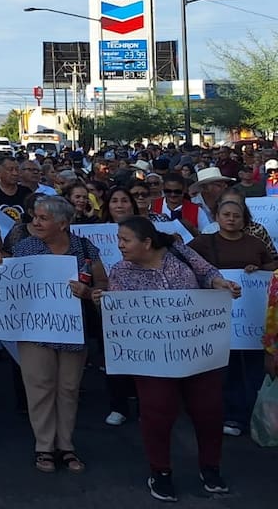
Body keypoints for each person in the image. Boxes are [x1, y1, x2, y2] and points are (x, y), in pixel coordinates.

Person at [95, 216, 241, 500]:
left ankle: (210, 467)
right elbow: (119, 319)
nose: (120, 245)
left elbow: (207, 272)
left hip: (197, 349)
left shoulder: (178, 250)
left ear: (147, 242)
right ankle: (160, 471)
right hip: (154, 359)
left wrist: (219, 283)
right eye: (119, 239)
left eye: (125, 240)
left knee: (208, 411)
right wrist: (104, 304)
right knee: (157, 413)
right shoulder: (120, 272)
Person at [0, 196, 106, 473]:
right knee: (40, 386)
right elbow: (9, 277)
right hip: (35, 327)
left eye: (43, 218)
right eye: (35, 217)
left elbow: (102, 282)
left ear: (63, 223)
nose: (35, 222)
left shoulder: (85, 248)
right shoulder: (26, 247)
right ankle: (44, 446)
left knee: (68, 388)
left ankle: (66, 445)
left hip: (73, 328)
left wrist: (88, 292)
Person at [189, 198, 276, 436]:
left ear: (244, 220)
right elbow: (185, 262)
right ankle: (229, 415)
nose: (231, 219)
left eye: (236, 216)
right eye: (226, 215)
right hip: (214, 313)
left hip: (249, 317)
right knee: (225, 367)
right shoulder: (204, 242)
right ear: (217, 217)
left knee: (251, 366)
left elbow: (273, 265)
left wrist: (258, 269)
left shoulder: (255, 243)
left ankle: (251, 414)